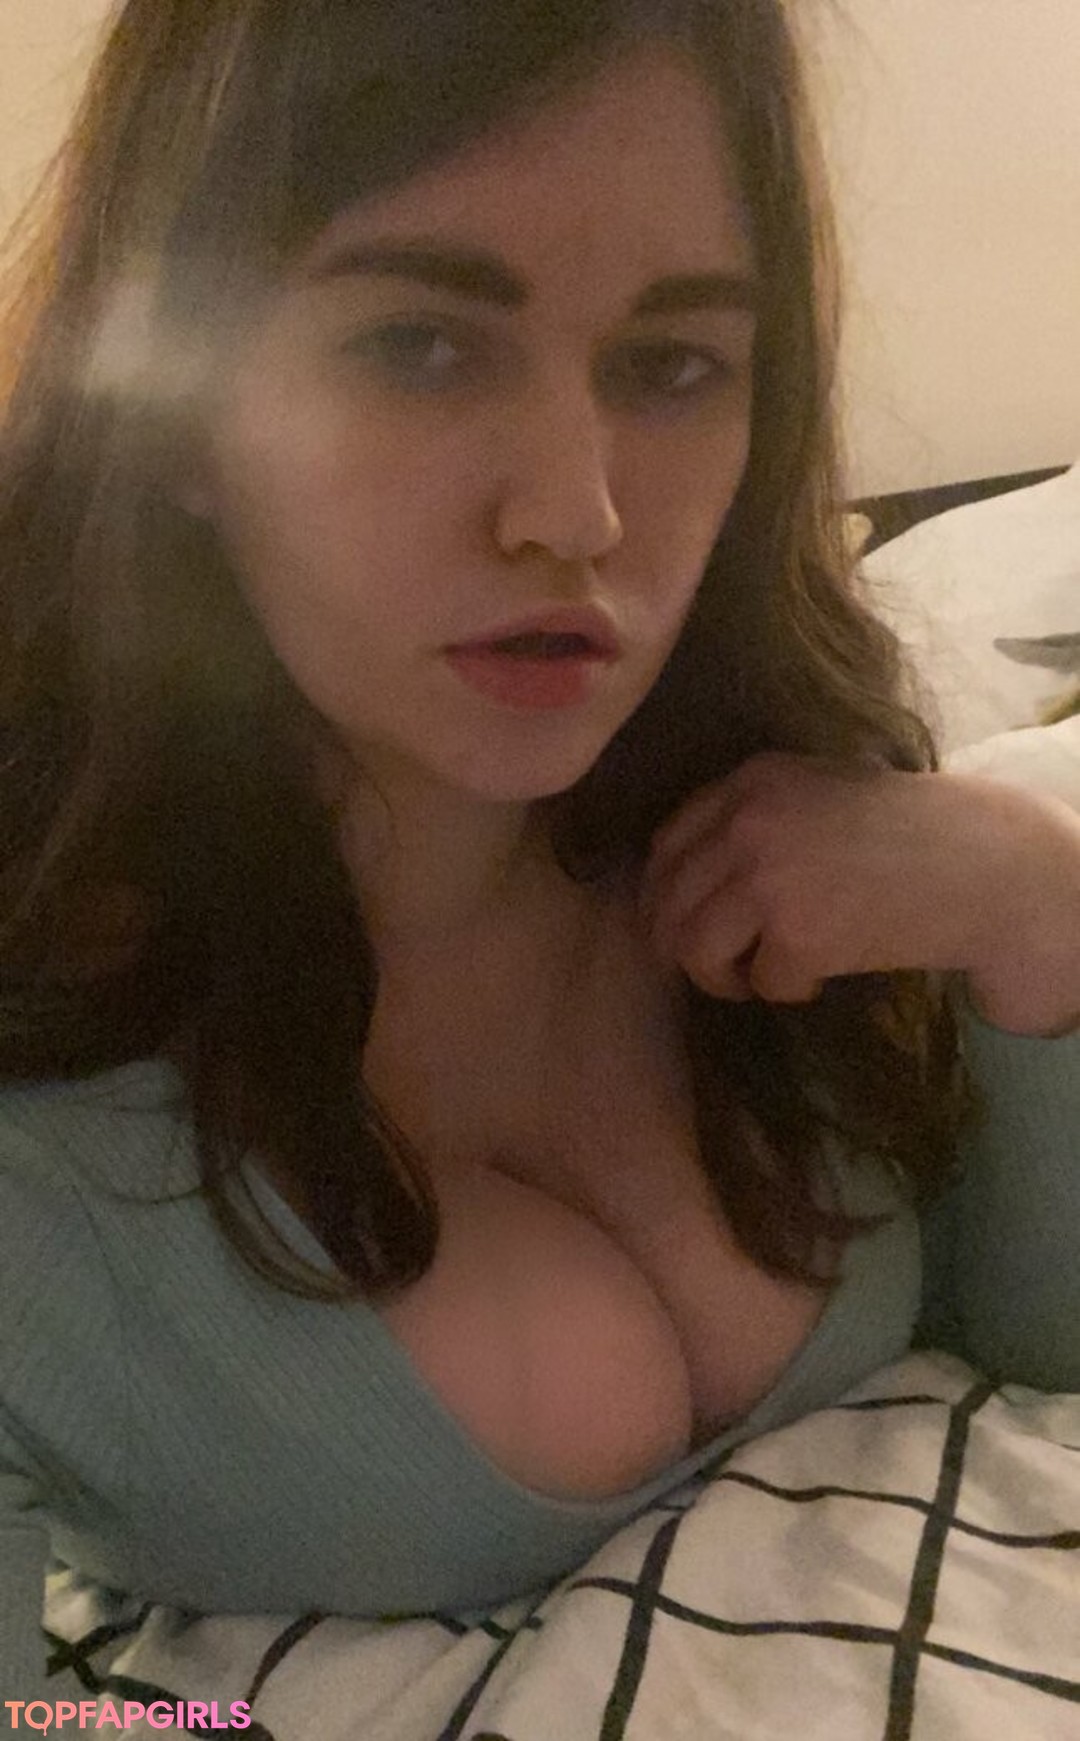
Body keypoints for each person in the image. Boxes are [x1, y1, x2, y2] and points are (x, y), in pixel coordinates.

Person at [1, 0, 1078, 1713]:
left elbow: (1047, 1359)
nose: (579, 513)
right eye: (423, 347)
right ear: (174, 407)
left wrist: (1032, 901)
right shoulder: (45, 1106)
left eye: (672, 366)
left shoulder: (803, 816)